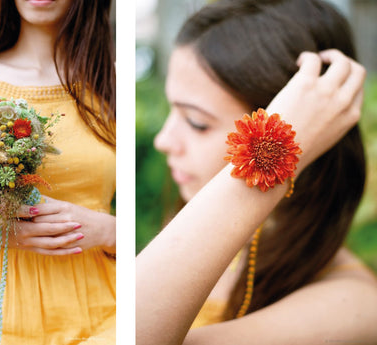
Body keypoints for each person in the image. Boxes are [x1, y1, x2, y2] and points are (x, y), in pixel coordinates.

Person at [137, 0, 377, 343]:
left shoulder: (354, 305)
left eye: (197, 122)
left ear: (310, 132)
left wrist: (274, 147)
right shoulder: (196, 225)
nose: (163, 140)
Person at [0, 0, 116, 342]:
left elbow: (158, 226)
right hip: (10, 304)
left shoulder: (112, 81)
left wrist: (108, 230)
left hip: (108, 301)